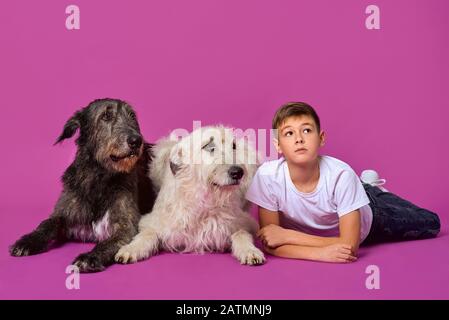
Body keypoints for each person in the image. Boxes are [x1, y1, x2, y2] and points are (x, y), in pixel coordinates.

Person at [245, 102, 440, 263]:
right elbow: (271, 242)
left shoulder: (341, 175)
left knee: (431, 223)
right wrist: (320, 254)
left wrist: (288, 236)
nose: (299, 139)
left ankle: (370, 189)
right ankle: (363, 186)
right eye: (289, 133)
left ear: (321, 138)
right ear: (277, 145)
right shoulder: (267, 176)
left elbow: (349, 246)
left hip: (371, 215)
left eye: (306, 130)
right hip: (339, 211)